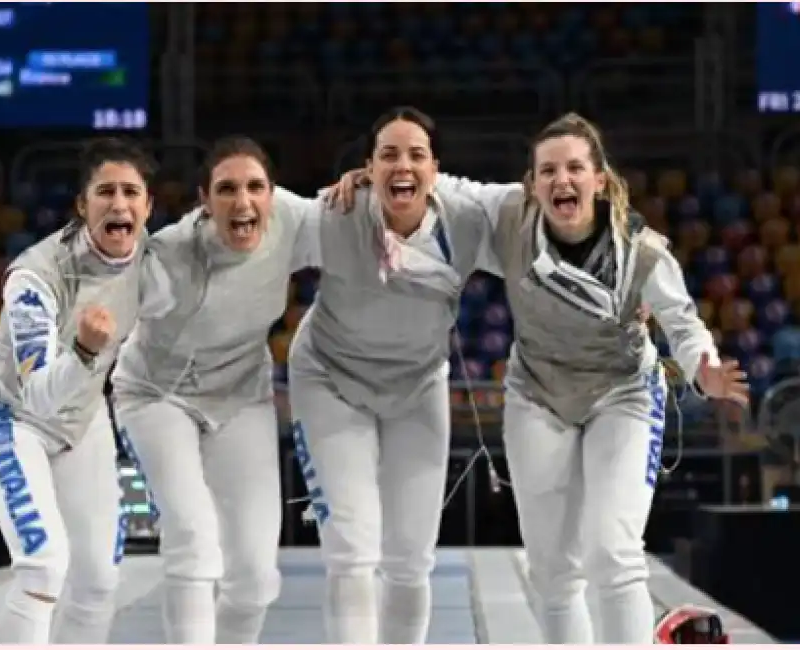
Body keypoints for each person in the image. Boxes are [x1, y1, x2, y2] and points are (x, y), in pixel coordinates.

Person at [329, 112, 748, 644]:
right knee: (553, 569)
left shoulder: (642, 252)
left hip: (623, 395)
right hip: (536, 397)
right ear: (532, 183)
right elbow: (441, 183)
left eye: (574, 168)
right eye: (547, 170)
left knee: (611, 550)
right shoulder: (510, 216)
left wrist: (703, 367)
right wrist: (375, 176)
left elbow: (684, 323)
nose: (561, 180)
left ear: (599, 179)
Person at [287, 106, 505, 644]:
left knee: (410, 559)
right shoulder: (334, 212)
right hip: (330, 381)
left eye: (415, 155)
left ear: (435, 170)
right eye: (388, 155)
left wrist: (632, 280)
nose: (401, 165)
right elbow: (250, 243)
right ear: (367, 167)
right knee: (352, 552)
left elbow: (550, 229)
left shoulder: (469, 218)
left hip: (418, 386)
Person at [110, 135, 323, 644]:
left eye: (255, 187)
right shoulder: (168, 255)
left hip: (241, 395)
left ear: (273, 193)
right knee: (193, 538)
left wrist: (365, 184)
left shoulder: (294, 219)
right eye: (226, 190)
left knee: (253, 574)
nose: (243, 201)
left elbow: (364, 217)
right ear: (204, 201)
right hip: (157, 397)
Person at [0, 137, 171, 644]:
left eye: (130, 192)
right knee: (44, 565)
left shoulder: (158, 260)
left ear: (147, 205)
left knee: (99, 579)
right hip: (10, 417)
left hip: (82, 420)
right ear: (83, 205)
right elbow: (36, 396)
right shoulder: (37, 275)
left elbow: (231, 228)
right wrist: (82, 350)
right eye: (105, 192)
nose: (118, 204)